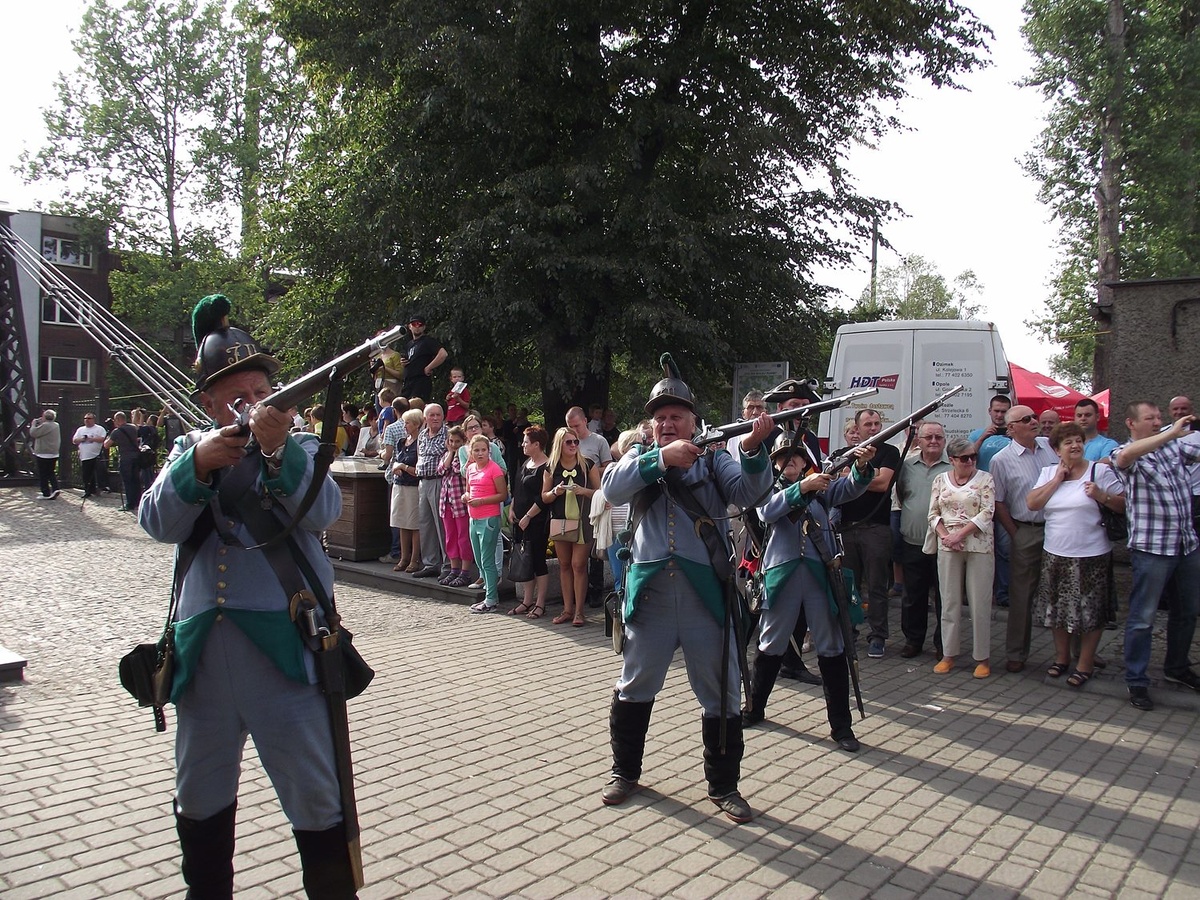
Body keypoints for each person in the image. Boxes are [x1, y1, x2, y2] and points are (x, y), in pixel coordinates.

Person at [138, 294, 357, 897]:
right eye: (236, 394)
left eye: (259, 390)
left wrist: (277, 450)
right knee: (199, 799)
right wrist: (197, 466)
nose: (251, 402)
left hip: (285, 652)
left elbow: (325, 511)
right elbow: (156, 522)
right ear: (209, 403)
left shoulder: (299, 447)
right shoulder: (189, 450)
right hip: (202, 662)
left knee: (316, 799)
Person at [599, 355, 774, 823]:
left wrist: (753, 449)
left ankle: (724, 785)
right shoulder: (639, 456)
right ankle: (624, 772)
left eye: (676, 416)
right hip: (651, 596)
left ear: (694, 421)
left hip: (705, 595)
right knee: (635, 686)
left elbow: (750, 494)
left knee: (721, 691)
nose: (667, 423)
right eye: (660, 417)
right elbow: (611, 489)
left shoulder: (714, 457)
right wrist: (661, 459)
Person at [742, 432, 877, 753]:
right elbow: (767, 512)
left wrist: (861, 467)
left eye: (796, 456)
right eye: (783, 457)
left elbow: (850, 488)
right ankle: (754, 708)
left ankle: (841, 726)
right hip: (782, 577)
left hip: (819, 577)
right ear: (775, 463)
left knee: (831, 647)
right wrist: (802, 488)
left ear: (805, 461)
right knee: (770, 643)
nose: (790, 461)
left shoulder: (821, 487)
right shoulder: (769, 488)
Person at [1112, 401, 1200, 710]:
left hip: (1186, 545)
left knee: (1187, 611)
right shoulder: (1125, 452)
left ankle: (1177, 667)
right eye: (1150, 418)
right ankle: (1136, 680)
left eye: (1159, 417)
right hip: (1152, 549)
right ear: (1131, 423)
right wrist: (1170, 434)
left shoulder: (1175, 448)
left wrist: (1179, 434)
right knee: (1143, 618)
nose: (1158, 421)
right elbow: (1125, 457)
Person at [1026, 422, 1125, 687]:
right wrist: (1057, 479)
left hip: (1092, 555)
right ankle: (1062, 658)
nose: (1075, 446)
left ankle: (1085, 663)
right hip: (1055, 553)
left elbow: (1123, 504)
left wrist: (1102, 495)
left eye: (1078, 441)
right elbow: (1032, 503)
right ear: (1057, 450)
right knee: (1057, 609)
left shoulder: (1099, 471)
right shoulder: (1049, 472)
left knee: (1091, 611)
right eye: (1068, 442)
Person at [988, 404, 1059, 673]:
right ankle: (1016, 652)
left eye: (1034, 417)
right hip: (1026, 529)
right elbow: (998, 502)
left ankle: (1074, 652)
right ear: (1012, 428)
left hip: (1059, 527)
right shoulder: (1001, 460)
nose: (1034, 421)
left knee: (1066, 590)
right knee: (1021, 595)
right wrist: (1016, 534)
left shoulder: (1050, 447)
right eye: (1026, 419)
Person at [832, 408, 900, 659]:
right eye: (868, 424)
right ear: (857, 428)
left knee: (877, 586)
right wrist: (864, 476)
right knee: (848, 585)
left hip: (876, 528)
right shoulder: (843, 454)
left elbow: (883, 484)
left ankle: (878, 636)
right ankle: (848, 632)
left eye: (876, 423)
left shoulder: (889, 452)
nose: (873, 428)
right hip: (846, 528)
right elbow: (833, 482)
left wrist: (852, 477)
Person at [928, 437, 996, 678]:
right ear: (952, 460)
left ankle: (982, 657)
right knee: (949, 600)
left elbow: (987, 512)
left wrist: (960, 535)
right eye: (965, 458)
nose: (970, 461)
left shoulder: (985, 479)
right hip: (948, 545)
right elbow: (933, 513)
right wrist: (946, 536)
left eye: (973, 457)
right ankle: (948, 654)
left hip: (978, 545)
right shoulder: (940, 479)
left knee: (979, 602)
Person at [895, 421, 950, 659]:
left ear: (944, 440)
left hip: (944, 545)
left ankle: (942, 644)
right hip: (913, 541)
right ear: (919, 440)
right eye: (929, 437)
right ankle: (913, 641)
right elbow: (901, 495)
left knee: (944, 597)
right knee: (913, 596)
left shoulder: (952, 467)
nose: (934, 441)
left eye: (938, 437)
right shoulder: (906, 466)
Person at [542, 427, 601, 625]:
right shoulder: (551, 467)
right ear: (560, 444)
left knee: (578, 565)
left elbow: (600, 493)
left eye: (576, 442)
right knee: (564, 565)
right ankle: (567, 610)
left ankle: (579, 612)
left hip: (583, 522)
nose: (574, 445)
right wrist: (555, 492)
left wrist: (583, 491)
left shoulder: (587, 464)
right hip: (561, 522)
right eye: (569, 442)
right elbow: (544, 497)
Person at [566, 406, 613, 607]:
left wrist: (589, 469)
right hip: (572, 501)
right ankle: (580, 591)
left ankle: (596, 589)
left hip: (593, 497)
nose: (574, 430)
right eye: (570, 426)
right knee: (576, 547)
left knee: (594, 545)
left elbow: (609, 466)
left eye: (576, 425)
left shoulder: (599, 441)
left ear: (585, 421)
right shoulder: (567, 441)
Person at [509, 425, 552, 618]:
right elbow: (518, 489)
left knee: (537, 561)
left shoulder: (546, 466)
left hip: (536, 521)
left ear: (537, 444)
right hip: (519, 520)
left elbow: (542, 498)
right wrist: (512, 509)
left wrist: (528, 516)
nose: (523, 445)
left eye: (526, 442)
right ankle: (527, 601)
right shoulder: (526, 462)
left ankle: (540, 603)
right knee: (524, 560)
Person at [464, 434, 509, 611]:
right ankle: (489, 596)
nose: (480, 453)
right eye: (476, 450)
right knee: (479, 559)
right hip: (473, 518)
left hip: (489, 518)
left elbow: (503, 495)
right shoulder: (470, 468)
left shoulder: (494, 469)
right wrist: (466, 496)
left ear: (489, 451)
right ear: (471, 452)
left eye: (484, 450)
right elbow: (468, 490)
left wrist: (482, 501)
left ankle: (491, 599)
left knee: (487, 559)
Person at [385, 408, 423, 573]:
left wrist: (403, 467)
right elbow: (395, 460)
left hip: (413, 487)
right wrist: (396, 467)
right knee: (401, 522)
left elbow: (419, 469)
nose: (404, 426)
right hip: (399, 485)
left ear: (416, 424)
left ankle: (414, 559)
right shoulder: (402, 442)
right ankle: (403, 557)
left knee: (414, 524)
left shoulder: (420, 443)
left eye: (407, 423)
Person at [413, 403, 449, 578]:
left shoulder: (448, 434)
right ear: (425, 418)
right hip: (423, 481)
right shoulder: (422, 434)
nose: (435, 418)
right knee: (425, 524)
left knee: (442, 525)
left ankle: (448, 565)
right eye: (431, 415)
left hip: (439, 481)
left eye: (438, 415)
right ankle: (430, 563)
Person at [400, 315, 448, 402]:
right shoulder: (409, 344)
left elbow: (443, 354)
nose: (417, 327)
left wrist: (429, 367)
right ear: (410, 326)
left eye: (420, 324)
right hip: (408, 382)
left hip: (421, 381)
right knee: (402, 404)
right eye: (414, 324)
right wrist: (403, 362)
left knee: (417, 405)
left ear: (424, 327)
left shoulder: (428, 341)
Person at [104, 411, 142, 511]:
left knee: (127, 481)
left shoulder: (117, 431)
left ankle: (129, 503)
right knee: (136, 480)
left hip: (125, 458)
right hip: (136, 457)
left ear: (118, 420)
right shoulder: (133, 428)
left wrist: (109, 434)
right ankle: (138, 502)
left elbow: (106, 445)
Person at [968, 395, 1012, 471]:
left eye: (1003, 412)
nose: (999, 415)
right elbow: (966, 459)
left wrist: (1016, 439)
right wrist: (981, 439)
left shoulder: (1018, 435)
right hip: (983, 477)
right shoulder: (976, 435)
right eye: (996, 411)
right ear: (990, 411)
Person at [72, 412, 107, 497]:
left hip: (96, 455)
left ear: (93, 420)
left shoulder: (99, 429)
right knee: (86, 474)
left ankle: (99, 488)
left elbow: (103, 438)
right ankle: (88, 490)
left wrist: (92, 439)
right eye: (85, 419)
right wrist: (82, 439)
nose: (87, 420)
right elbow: (74, 440)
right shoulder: (80, 429)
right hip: (85, 455)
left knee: (98, 473)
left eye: (89, 419)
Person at [30, 409, 62, 499]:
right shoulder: (56, 425)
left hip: (43, 453)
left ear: (45, 417)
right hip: (53, 453)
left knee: (43, 474)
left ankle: (45, 492)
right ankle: (55, 488)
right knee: (50, 472)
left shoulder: (46, 425)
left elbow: (33, 433)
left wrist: (33, 424)